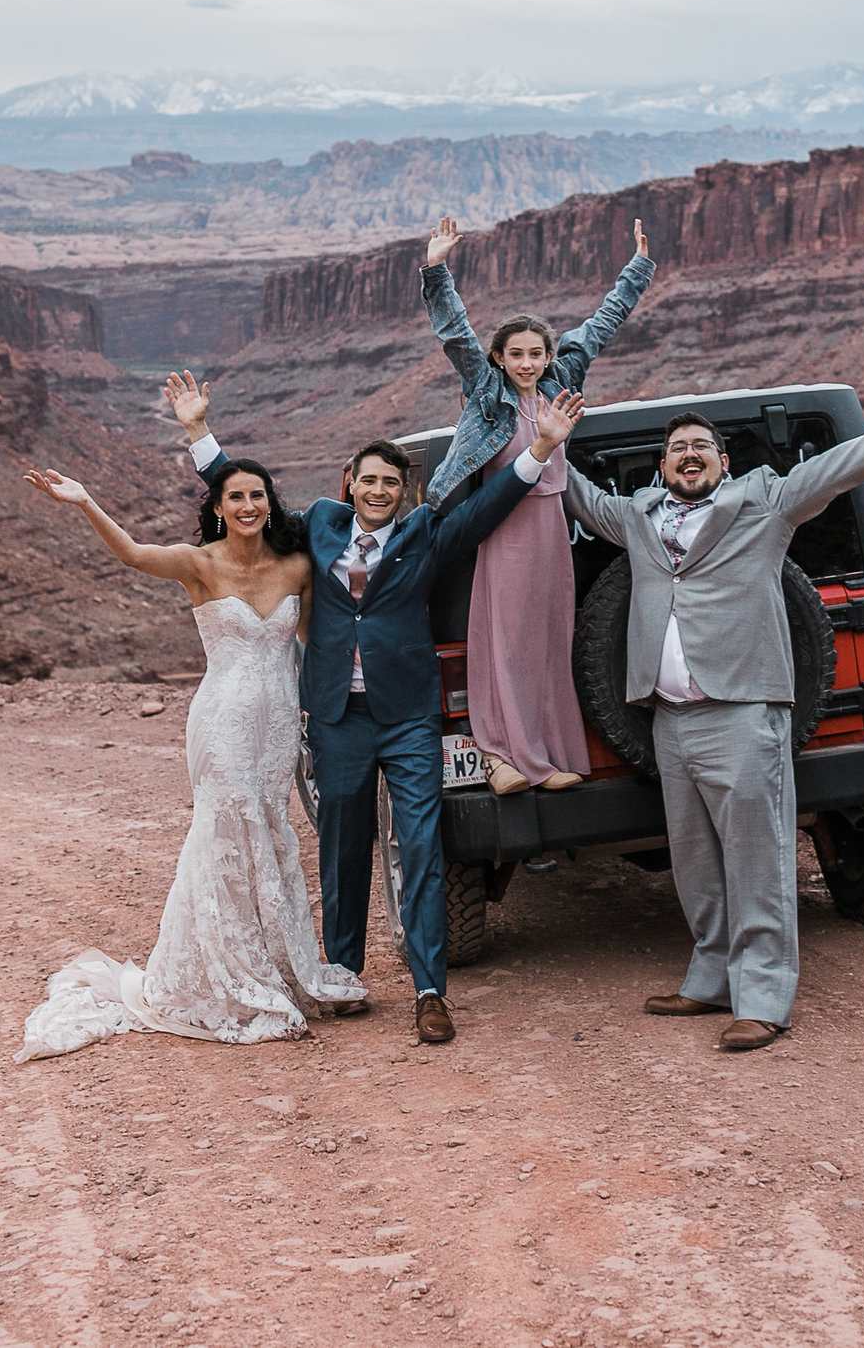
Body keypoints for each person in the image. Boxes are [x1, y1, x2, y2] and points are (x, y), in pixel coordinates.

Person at [168, 372, 584, 1044]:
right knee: (342, 848)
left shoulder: (424, 533)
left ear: (405, 491)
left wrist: (539, 450)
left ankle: (429, 990)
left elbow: (487, 510)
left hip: (408, 716)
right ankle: (343, 974)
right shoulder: (321, 530)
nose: (380, 491)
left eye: (392, 482)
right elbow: (251, 505)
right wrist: (198, 432)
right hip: (338, 719)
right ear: (349, 484)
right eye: (369, 481)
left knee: (419, 845)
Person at [561, 374, 864, 1052]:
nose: (688, 454)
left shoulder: (764, 501)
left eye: (701, 445)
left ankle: (763, 998)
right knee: (695, 861)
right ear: (662, 466)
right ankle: (710, 977)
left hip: (743, 711)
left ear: (723, 461)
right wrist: (542, 442)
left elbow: (838, 466)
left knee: (758, 858)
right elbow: (580, 494)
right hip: (669, 718)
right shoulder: (637, 516)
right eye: (676, 448)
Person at [12, 456, 367, 1060]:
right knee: (225, 830)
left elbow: (320, 641)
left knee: (270, 831)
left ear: (270, 504)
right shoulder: (198, 563)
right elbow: (131, 552)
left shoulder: (299, 566)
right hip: (222, 721)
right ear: (219, 507)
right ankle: (226, 977)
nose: (249, 506)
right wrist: (84, 500)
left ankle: (279, 965)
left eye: (258, 496)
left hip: (279, 723)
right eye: (236, 497)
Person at [419, 213, 656, 795]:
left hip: (552, 525)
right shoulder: (487, 389)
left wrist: (639, 268)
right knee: (504, 640)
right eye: (516, 353)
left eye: (536, 353)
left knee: (552, 638)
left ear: (549, 356)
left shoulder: (559, 380)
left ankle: (547, 754)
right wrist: (435, 268)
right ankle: (502, 756)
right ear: (499, 357)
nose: (527, 363)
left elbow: (602, 324)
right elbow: (454, 333)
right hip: (504, 529)